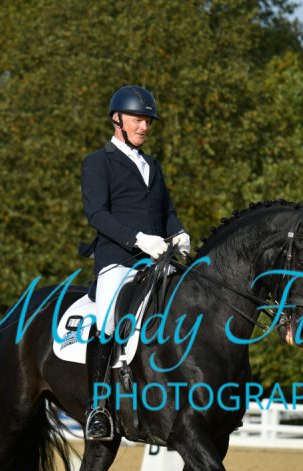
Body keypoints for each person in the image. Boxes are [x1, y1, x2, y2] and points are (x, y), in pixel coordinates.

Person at [79, 85, 190, 440]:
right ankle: (97, 407)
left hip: (158, 259)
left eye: (147, 121)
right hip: (119, 260)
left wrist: (179, 233)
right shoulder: (98, 162)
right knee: (108, 320)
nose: (144, 126)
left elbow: (166, 212)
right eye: (137, 119)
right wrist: (138, 239)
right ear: (117, 119)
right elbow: (97, 214)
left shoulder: (152, 166)